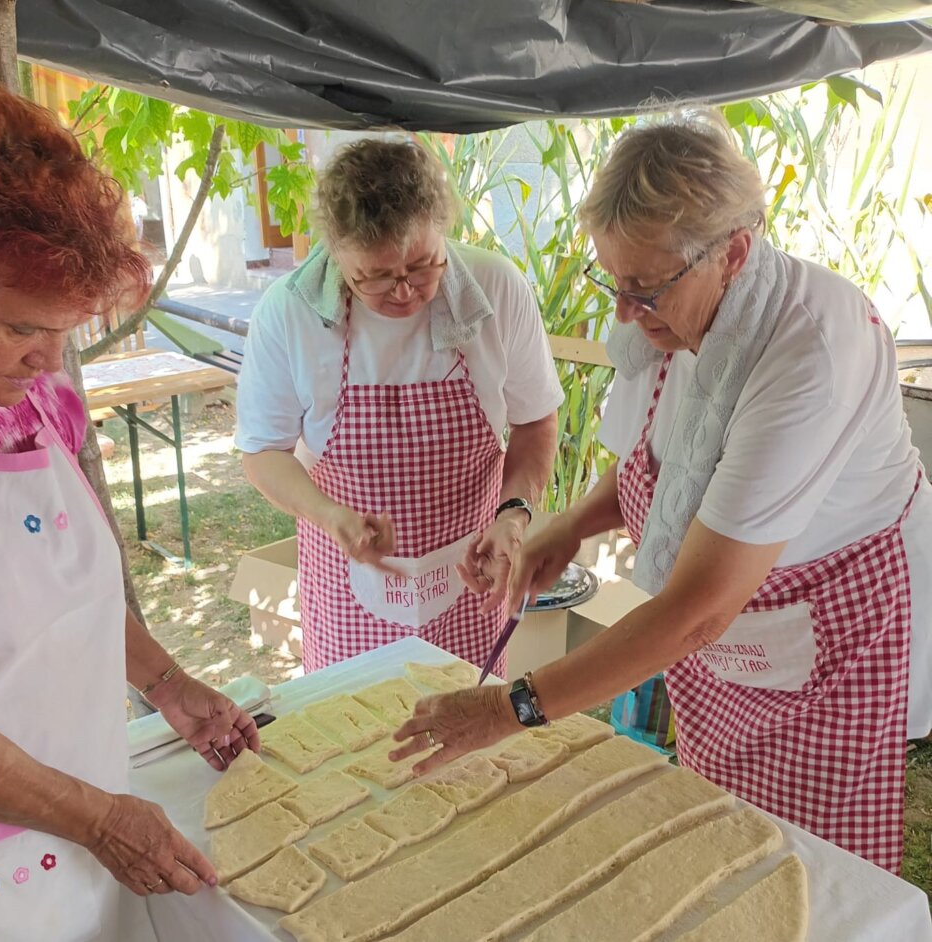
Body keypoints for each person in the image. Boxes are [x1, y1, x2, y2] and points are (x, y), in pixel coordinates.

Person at [392, 114, 932, 876]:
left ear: (734, 253)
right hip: (728, 626)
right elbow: (659, 465)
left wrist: (506, 710)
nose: (621, 311)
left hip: (832, 635)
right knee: (722, 834)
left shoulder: (809, 351)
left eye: (643, 288)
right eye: (612, 280)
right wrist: (564, 529)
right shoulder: (677, 319)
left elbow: (697, 612)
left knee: (810, 873)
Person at [0, 84, 258, 942]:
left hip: (93, 826)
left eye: (68, 330)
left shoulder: (39, 401)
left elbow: (73, 591)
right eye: (22, 326)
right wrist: (98, 820)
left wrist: (168, 684)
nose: (52, 359)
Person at [238, 139, 563, 675]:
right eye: (377, 277)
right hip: (348, 593)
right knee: (353, 737)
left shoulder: (497, 288)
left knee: (471, 741)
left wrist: (513, 513)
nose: (406, 291)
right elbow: (262, 452)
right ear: (336, 255)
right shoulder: (288, 312)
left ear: (443, 228)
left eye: (422, 264)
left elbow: (535, 421)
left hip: (469, 585)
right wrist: (330, 515)